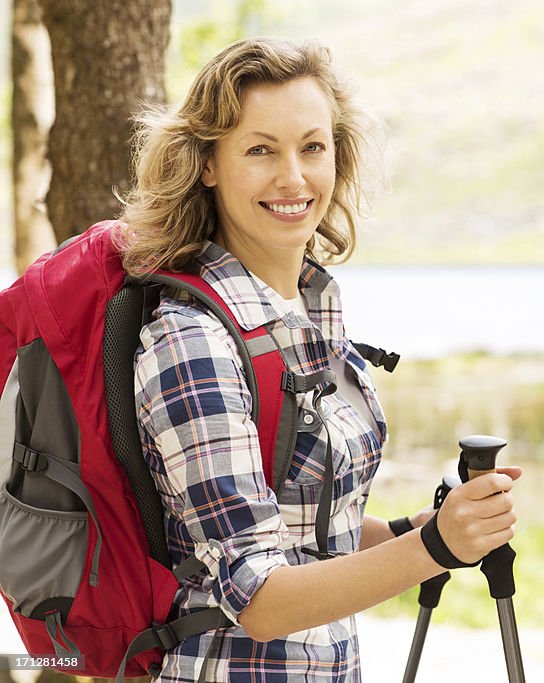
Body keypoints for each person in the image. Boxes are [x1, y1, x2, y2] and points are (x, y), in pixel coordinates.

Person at [116, 37, 520, 681]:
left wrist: (422, 527)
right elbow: (261, 599)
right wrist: (435, 546)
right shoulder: (192, 342)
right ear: (208, 164)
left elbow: (301, 534)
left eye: (312, 147)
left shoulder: (305, 309)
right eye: (260, 149)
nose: (293, 177)